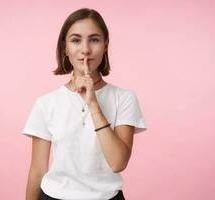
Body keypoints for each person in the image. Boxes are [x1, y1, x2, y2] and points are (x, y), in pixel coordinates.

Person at [22, 8, 147, 200]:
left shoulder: (124, 98)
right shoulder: (46, 103)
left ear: (106, 45)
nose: (86, 49)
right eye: (76, 40)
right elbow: (37, 171)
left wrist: (93, 104)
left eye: (94, 39)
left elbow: (118, 162)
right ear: (65, 47)